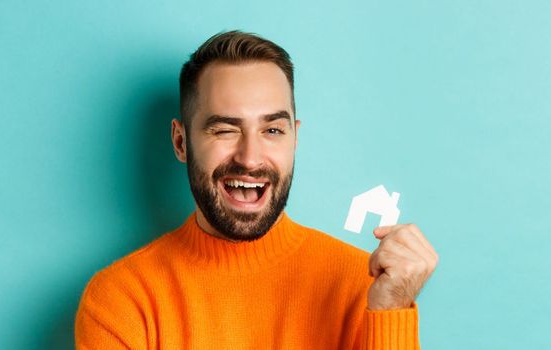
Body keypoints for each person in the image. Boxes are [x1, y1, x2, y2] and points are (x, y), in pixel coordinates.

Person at [75, 30, 438, 349]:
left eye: (273, 130)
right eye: (224, 129)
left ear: (295, 138)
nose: (250, 158)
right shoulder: (122, 300)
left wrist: (391, 313)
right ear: (181, 142)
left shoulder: (365, 286)